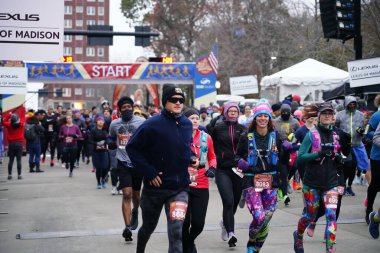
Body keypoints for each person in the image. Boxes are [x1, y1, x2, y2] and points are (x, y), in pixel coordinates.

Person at [126, 84, 198, 253]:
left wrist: (191, 158)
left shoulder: (187, 124)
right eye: (174, 100)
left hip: (179, 189)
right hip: (155, 189)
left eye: (181, 100)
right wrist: (149, 172)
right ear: (165, 101)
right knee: (148, 227)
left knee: (176, 232)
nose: (178, 103)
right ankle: (140, 250)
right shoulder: (152, 124)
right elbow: (132, 148)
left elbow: (184, 147)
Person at [293, 102, 347, 253]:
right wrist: (318, 154)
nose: (327, 116)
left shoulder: (337, 135)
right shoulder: (312, 134)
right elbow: (301, 157)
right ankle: (298, 235)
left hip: (331, 183)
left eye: (330, 114)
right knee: (310, 215)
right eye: (324, 114)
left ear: (333, 116)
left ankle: (329, 249)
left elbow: (342, 153)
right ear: (319, 116)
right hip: (312, 184)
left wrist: (339, 158)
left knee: (331, 215)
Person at [235, 100, 284, 253]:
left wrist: (288, 150)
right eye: (259, 116)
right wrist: (240, 162)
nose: (263, 119)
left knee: (266, 218)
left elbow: (283, 161)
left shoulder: (276, 136)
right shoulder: (246, 136)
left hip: (271, 181)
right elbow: (236, 157)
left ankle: (257, 248)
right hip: (251, 180)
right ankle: (251, 242)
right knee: (259, 216)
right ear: (255, 118)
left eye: (266, 116)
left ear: (270, 118)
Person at [109, 96, 145, 241]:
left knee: (136, 195)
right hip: (122, 162)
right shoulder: (114, 124)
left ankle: (135, 210)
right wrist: (111, 144)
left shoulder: (141, 122)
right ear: (120, 110)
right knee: (126, 194)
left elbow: (148, 137)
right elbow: (111, 137)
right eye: (124, 108)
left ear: (133, 107)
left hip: (137, 163)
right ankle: (128, 227)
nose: (127, 109)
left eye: (129, 107)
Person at [211, 101, 246, 247]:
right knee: (228, 201)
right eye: (230, 111)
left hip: (238, 170)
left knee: (235, 202)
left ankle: (225, 223)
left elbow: (246, 147)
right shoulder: (217, 128)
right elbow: (210, 146)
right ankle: (231, 233)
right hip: (223, 170)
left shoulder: (243, 129)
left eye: (235, 111)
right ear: (225, 112)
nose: (233, 113)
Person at [182, 108, 217, 253]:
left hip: (201, 183)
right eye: (191, 118)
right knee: (183, 223)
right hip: (182, 185)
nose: (195, 120)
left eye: (197, 118)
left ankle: (189, 242)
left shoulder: (206, 137)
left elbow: (212, 157)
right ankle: (187, 247)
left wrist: (213, 168)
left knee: (198, 223)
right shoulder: (179, 136)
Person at [335, 96, 368, 197]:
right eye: (350, 104)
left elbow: (364, 129)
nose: (352, 105)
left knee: (354, 166)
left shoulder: (360, 115)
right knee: (346, 166)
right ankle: (343, 185)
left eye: (354, 104)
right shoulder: (340, 115)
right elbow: (335, 129)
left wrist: (362, 131)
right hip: (344, 145)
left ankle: (349, 186)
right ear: (346, 104)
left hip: (357, 144)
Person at [273, 104, 300, 205]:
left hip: (291, 148)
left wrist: (294, 140)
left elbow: (299, 134)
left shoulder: (295, 122)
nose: (285, 114)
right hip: (279, 149)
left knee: (294, 167)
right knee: (282, 172)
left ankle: (286, 182)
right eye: (283, 112)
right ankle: (284, 193)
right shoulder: (275, 121)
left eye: (287, 113)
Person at [3, 107, 26, 180]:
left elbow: (4, 121)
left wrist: (9, 114)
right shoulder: (21, 124)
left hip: (11, 144)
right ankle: (19, 175)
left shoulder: (9, 125)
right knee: (19, 160)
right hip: (19, 144)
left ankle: (10, 175)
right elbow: (23, 116)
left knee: (11, 160)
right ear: (17, 119)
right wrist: (23, 108)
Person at [89, 116, 110, 189]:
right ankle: (98, 182)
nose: (101, 122)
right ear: (96, 122)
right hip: (96, 151)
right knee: (98, 168)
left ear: (104, 122)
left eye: (102, 120)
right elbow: (90, 140)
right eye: (99, 120)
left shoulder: (105, 130)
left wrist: (105, 142)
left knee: (104, 167)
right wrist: (97, 143)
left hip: (104, 150)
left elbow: (108, 139)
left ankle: (103, 180)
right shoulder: (93, 130)